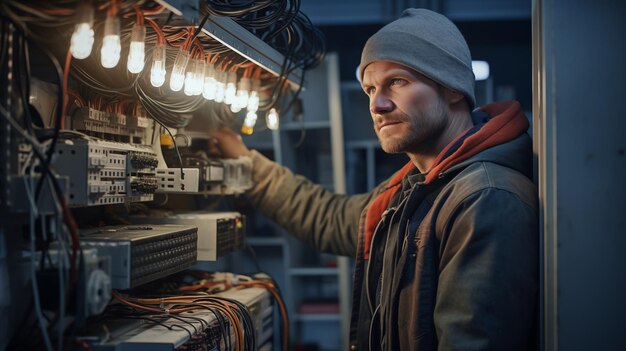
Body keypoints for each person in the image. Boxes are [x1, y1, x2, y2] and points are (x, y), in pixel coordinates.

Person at [209, 8, 538, 351]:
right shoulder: (416, 189)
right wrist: (244, 161)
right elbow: (329, 218)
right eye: (369, 88)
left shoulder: (485, 199)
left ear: (453, 87)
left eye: (397, 82)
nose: (376, 105)